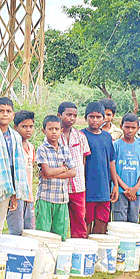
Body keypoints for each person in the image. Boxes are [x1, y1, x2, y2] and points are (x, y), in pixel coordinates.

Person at [0, 97, 29, 250]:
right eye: (1, 111)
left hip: (7, 186)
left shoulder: (15, 136)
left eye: (8, 111)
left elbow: (17, 166)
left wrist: (14, 194)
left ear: (13, 115)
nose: (4, 114)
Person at [35, 115, 74, 239]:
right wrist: (63, 169)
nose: (54, 132)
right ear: (44, 131)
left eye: (57, 129)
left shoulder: (65, 149)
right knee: (43, 235)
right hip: (45, 197)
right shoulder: (42, 149)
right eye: (50, 129)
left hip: (62, 198)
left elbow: (73, 172)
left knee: (60, 235)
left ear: (61, 131)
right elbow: (46, 172)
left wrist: (53, 174)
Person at [81, 102, 116, 235]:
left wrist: (115, 185)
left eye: (98, 117)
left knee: (101, 222)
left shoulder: (107, 137)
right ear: (86, 118)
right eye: (91, 117)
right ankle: (86, 250)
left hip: (104, 189)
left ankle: (98, 252)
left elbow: (111, 161)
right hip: (87, 188)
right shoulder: (81, 135)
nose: (95, 120)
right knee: (86, 222)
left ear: (104, 119)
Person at [57, 101, 89, 238]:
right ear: (59, 115)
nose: (72, 118)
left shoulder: (80, 136)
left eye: (75, 116)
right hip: (59, 186)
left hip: (78, 186)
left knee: (79, 219)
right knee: (59, 220)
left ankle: (79, 247)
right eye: (68, 114)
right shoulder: (54, 135)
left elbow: (84, 159)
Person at [111, 113, 140, 224]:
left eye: (133, 128)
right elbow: (113, 169)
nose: (130, 130)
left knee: (133, 222)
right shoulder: (115, 145)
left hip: (136, 192)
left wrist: (135, 189)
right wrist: (126, 188)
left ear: (138, 129)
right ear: (121, 126)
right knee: (119, 222)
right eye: (127, 127)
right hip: (120, 191)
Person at [11, 110, 38, 234]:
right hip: (17, 194)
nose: (28, 130)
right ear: (16, 128)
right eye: (24, 127)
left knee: (29, 230)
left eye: (31, 126)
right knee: (16, 230)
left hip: (29, 195)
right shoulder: (13, 146)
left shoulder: (31, 147)